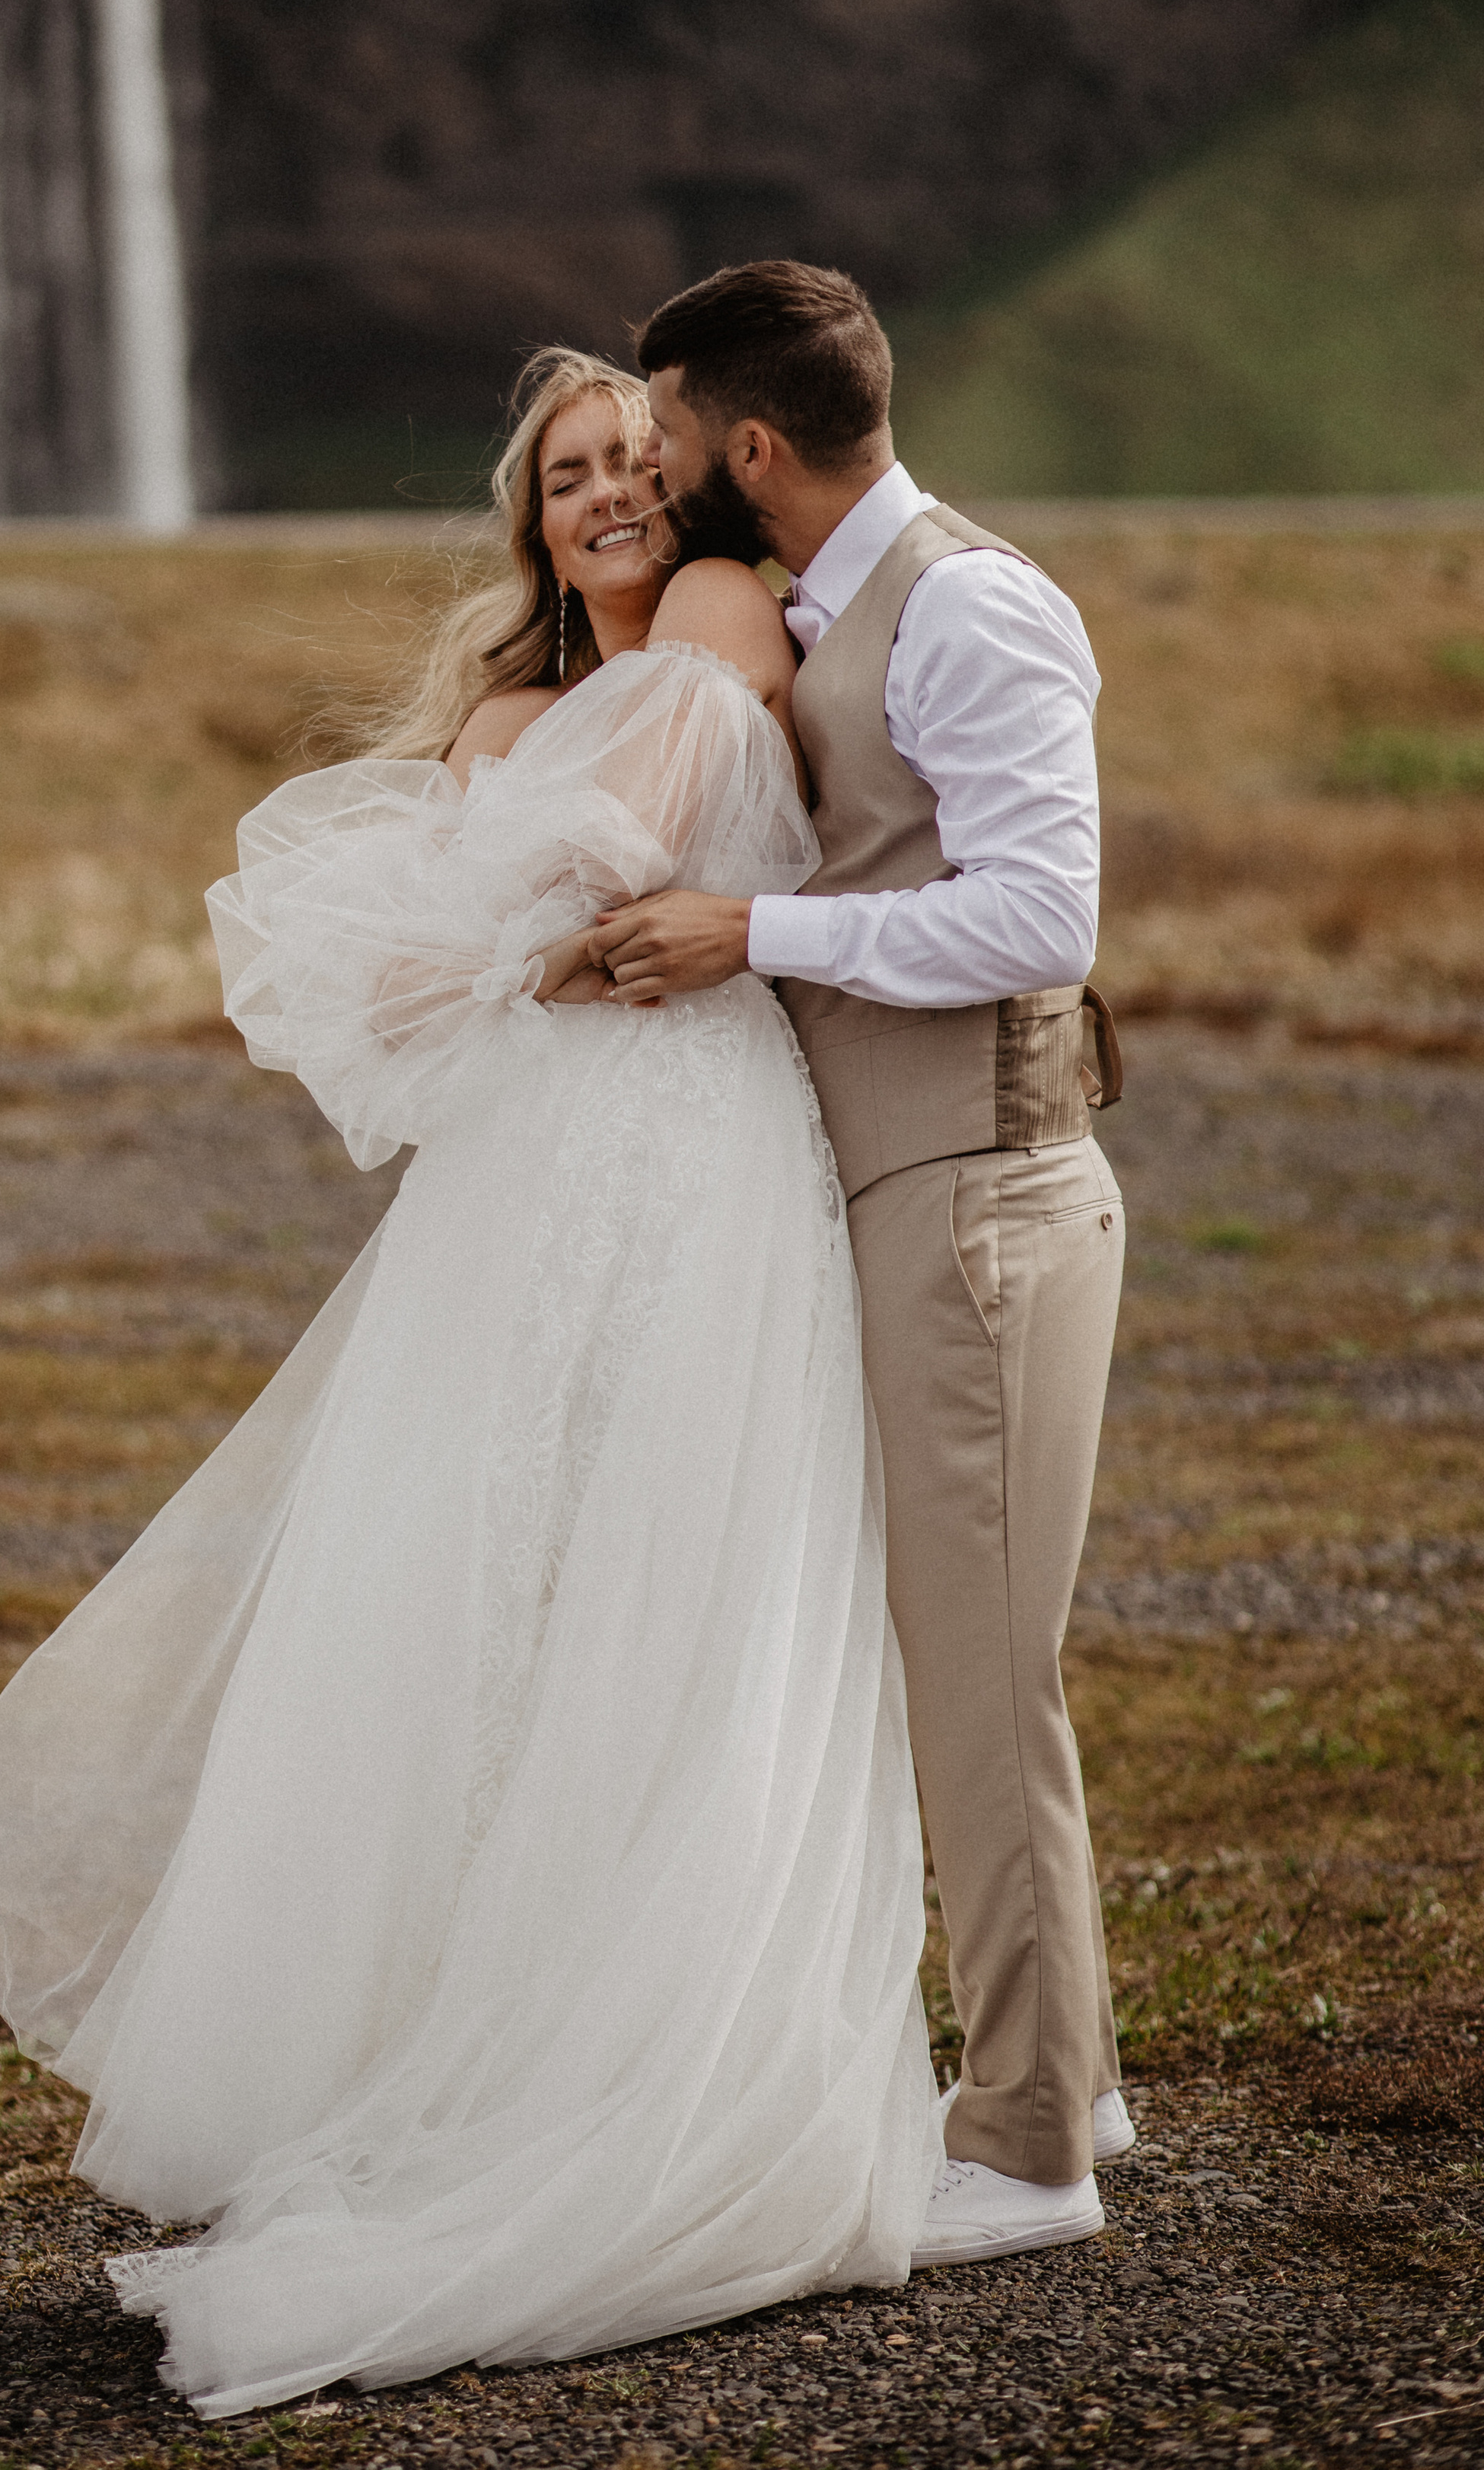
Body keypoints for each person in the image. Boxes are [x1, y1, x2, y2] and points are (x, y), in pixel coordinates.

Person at [0, 346, 941, 2421]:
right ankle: (462, 2044)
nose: (612, 495)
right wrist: (498, 945)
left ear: (695, 479)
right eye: (569, 477)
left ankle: (659, 2067)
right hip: (516, 1191)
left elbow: (602, 858)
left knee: (679, 1585)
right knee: (484, 1606)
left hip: (696, 1161)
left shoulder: (720, 617)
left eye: (638, 458)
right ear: (527, 520)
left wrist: (520, 934)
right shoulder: (495, 718)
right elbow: (406, 983)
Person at [591, 260, 1130, 2268]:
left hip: (985, 1195)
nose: (651, 483)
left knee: (985, 1686)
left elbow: (1036, 917)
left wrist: (757, 935)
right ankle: (1060, 2061)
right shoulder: (826, 612)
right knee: (964, 1665)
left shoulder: (972, 606)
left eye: (665, 450)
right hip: (922, 1190)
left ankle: (1026, 2146)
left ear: (748, 449)